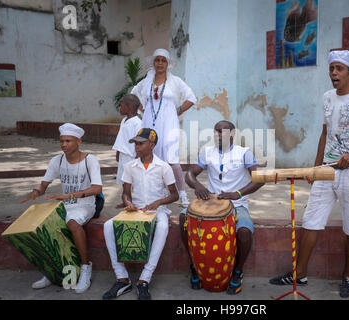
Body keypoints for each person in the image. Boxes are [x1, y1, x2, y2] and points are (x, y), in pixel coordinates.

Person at [269, 50, 349, 298]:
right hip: (326, 171)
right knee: (311, 221)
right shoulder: (327, 97)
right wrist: (316, 167)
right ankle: (299, 274)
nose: (334, 73)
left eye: (339, 69)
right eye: (331, 68)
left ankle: (348, 277)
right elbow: (325, 134)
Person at [179, 120, 264, 295]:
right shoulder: (207, 152)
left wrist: (237, 194)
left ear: (232, 134)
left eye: (223, 132)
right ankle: (194, 266)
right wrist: (198, 186)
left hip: (236, 204)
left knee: (245, 232)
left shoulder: (244, 153)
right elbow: (190, 174)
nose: (218, 134)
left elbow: (259, 179)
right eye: (216, 131)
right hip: (210, 202)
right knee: (183, 218)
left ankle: (237, 272)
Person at [20, 123, 103, 293]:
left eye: (68, 141)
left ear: (78, 141)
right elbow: (43, 186)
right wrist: (35, 192)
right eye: (62, 141)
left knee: (72, 222)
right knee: (45, 225)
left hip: (86, 204)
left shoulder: (90, 160)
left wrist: (68, 196)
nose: (63, 144)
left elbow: (97, 189)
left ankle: (86, 268)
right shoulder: (57, 160)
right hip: (65, 204)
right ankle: (52, 271)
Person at [102, 128, 179, 300]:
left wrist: (159, 202)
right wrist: (128, 203)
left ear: (151, 145)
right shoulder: (130, 166)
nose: (136, 147)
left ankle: (144, 279)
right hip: (135, 209)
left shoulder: (163, 167)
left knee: (163, 227)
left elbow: (175, 195)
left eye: (140, 143)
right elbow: (125, 192)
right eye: (135, 143)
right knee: (108, 226)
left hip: (157, 210)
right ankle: (122, 278)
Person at [131, 48, 196, 208]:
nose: (160, 63)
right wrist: (142, 109)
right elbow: (133, 95)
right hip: (148, 122)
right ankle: (153, 193)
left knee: (172, 158)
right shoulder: (146, 81)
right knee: (147, 155)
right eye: (157, 60)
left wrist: (178, 110)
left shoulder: (175, 81)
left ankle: (182, 194)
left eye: (163, 60)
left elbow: (191, 98)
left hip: (169, 123)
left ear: (168, 64)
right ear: (153, 62)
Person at [112, 94, 142, 186]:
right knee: (124, 180)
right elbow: (121, 138)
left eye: (121, 105)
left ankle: (133, 199)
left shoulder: (137, 123)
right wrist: (118, 153)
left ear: (129, 107)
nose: (119, 108)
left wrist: (138, 157)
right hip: (123, 155)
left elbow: (139, 141)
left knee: (132, 181)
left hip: (131, 156)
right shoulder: (124, 120)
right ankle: (126, 199)